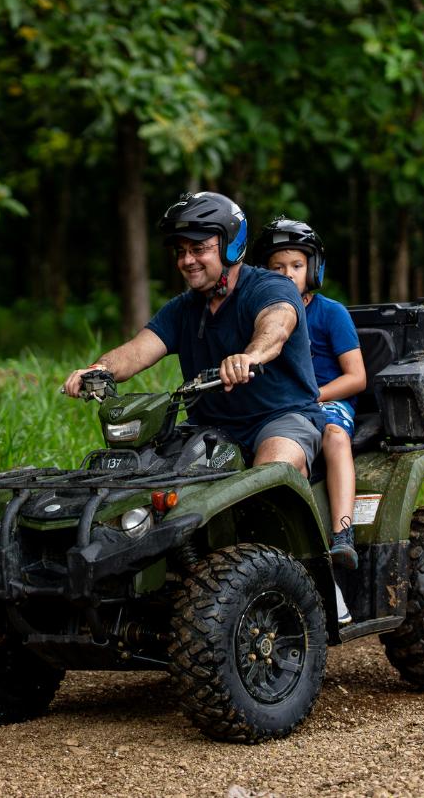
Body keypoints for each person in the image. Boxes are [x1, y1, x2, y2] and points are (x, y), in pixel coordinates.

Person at [62, 192, 325, 474]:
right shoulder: (183, 309)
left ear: (230, 246)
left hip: (281, 419)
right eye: (181, 251)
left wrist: (249, 358)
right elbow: (137, 351)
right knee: (140, 473)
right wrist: (99, 368)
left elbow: (276, 325)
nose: (187, 260)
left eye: (198, 249)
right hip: (209, 427)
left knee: (272, 471)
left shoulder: (271, 287)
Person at [256, 218, 366, 573]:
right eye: (278, 267)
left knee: (334, 435)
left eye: (297, 266)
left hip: (327, 402)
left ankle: (342, 534)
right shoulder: (264, 319)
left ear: (314, 268)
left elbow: (357, 377)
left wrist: (314, 395)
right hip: (282, 408)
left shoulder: (331, 313)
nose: (288, 274)